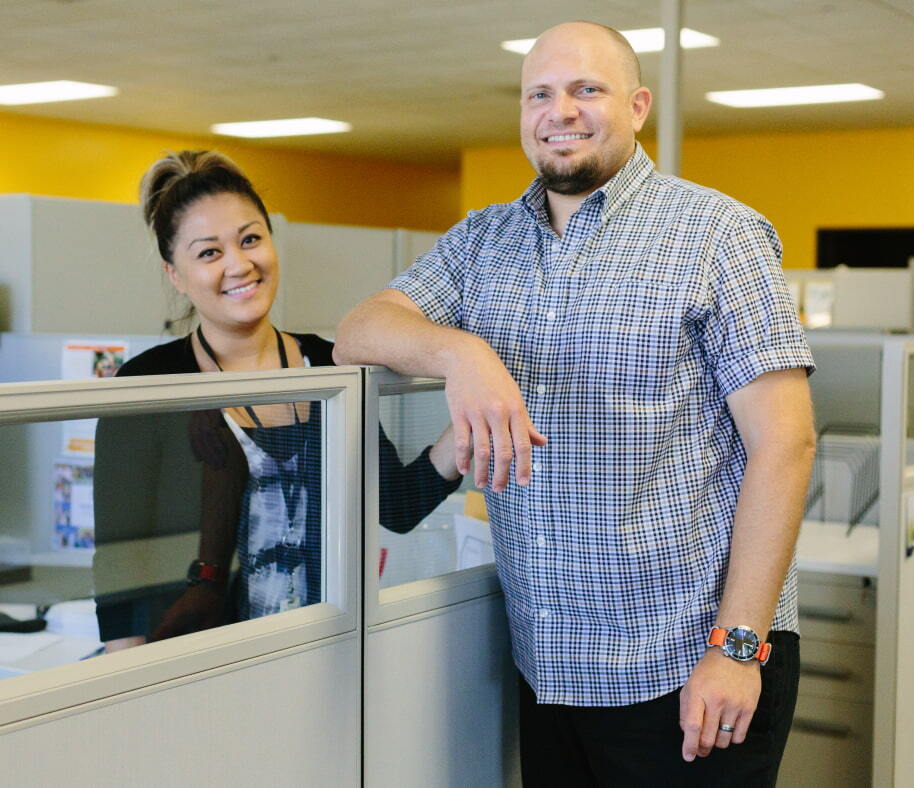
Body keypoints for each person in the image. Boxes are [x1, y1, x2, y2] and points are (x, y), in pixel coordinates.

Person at [333, 21, 816, 787]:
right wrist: (463, 352)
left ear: (637, 105)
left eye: (587, 89)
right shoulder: (482, 240)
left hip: (688, 660)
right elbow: (358, 332)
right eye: (540, 94)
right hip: (550, 665)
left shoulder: (717, 234)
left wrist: (736, 649)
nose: (561, 111)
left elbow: (786, 446)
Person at [94, 150, 461, 649]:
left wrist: (475, 405)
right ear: (175, 274)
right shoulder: (151, 382)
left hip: (325, 654)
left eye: (250, 239)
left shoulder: (330, 364)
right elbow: (119, 559)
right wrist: (130, 684)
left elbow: (396, 503)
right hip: (194, 657)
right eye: (209, 252)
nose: (240, 264)